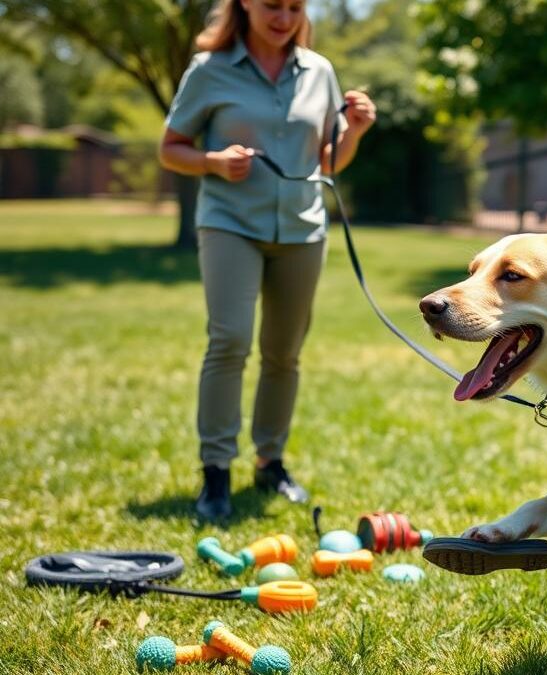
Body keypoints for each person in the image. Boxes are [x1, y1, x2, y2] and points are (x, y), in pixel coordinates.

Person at [158, 0, 376, 520]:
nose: (282, 17)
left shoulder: (318, 71)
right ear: (245, 5)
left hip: (302, 230)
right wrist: (212, 161)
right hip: (230, 222)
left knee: (284, 352)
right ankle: (215, 473)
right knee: (229, 339)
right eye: (271, 5)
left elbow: (326, 162)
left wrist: (357, 133)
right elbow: (170, 147)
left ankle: (270, 462)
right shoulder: (209, 70)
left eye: (294, 7)